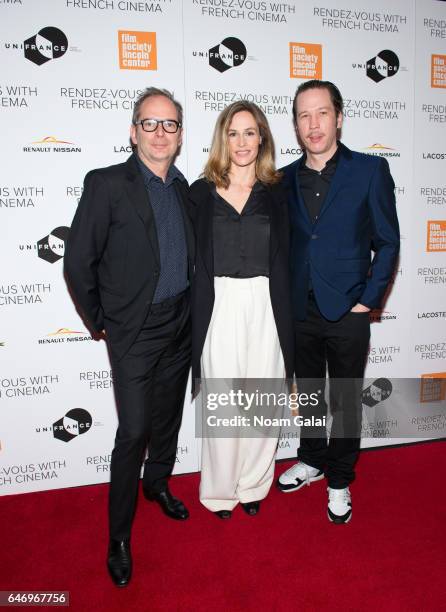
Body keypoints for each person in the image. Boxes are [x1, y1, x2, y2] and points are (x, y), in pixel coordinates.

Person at [64, 87, 194, 586]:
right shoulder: (106, 184)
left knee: (167, 419)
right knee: (133, 431)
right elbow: (78, 261)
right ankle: (119, 536)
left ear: (180, 135)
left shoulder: (185, 187)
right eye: (150, 123)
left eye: (170, 125)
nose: (160, 133)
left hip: (180, 323)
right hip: (134, 331)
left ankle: (157, 483)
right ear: (133, 129)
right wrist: (103, 322)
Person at [277, 80, 400, 523]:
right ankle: (311, 457)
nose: (313, 124)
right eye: (304, 116)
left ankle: (340, 479)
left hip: (348, 309)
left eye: (322, 113)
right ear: (295, 125)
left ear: (339, 118)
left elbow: (388, 241)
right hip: (299, 309)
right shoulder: (283, 179)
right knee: (308, 392)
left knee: (345, 399)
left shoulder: (370, 170)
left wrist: (369, 301)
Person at [189, 101, 294, 519]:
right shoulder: (199, 193)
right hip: (219, 301)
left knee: (262, 399)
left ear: (263, 137)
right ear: (222, 138)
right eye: (233, 133)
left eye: (250, 132)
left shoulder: (278, 191)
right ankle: (218, 491)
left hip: (267, 301)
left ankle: (253, 485)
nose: (242, 141)